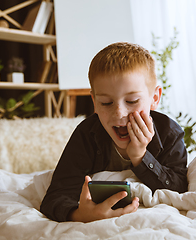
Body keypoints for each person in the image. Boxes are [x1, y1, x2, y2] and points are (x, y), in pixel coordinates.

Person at [40, 42, 188, 223]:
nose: (119, 113)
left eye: (132, 101)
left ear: (154, 98)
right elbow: (57, 194)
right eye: (106, 103)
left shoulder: (169, 133)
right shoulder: (86, 134)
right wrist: (79, 214)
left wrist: (140, 156)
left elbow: (179, 188)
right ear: (94, 101)